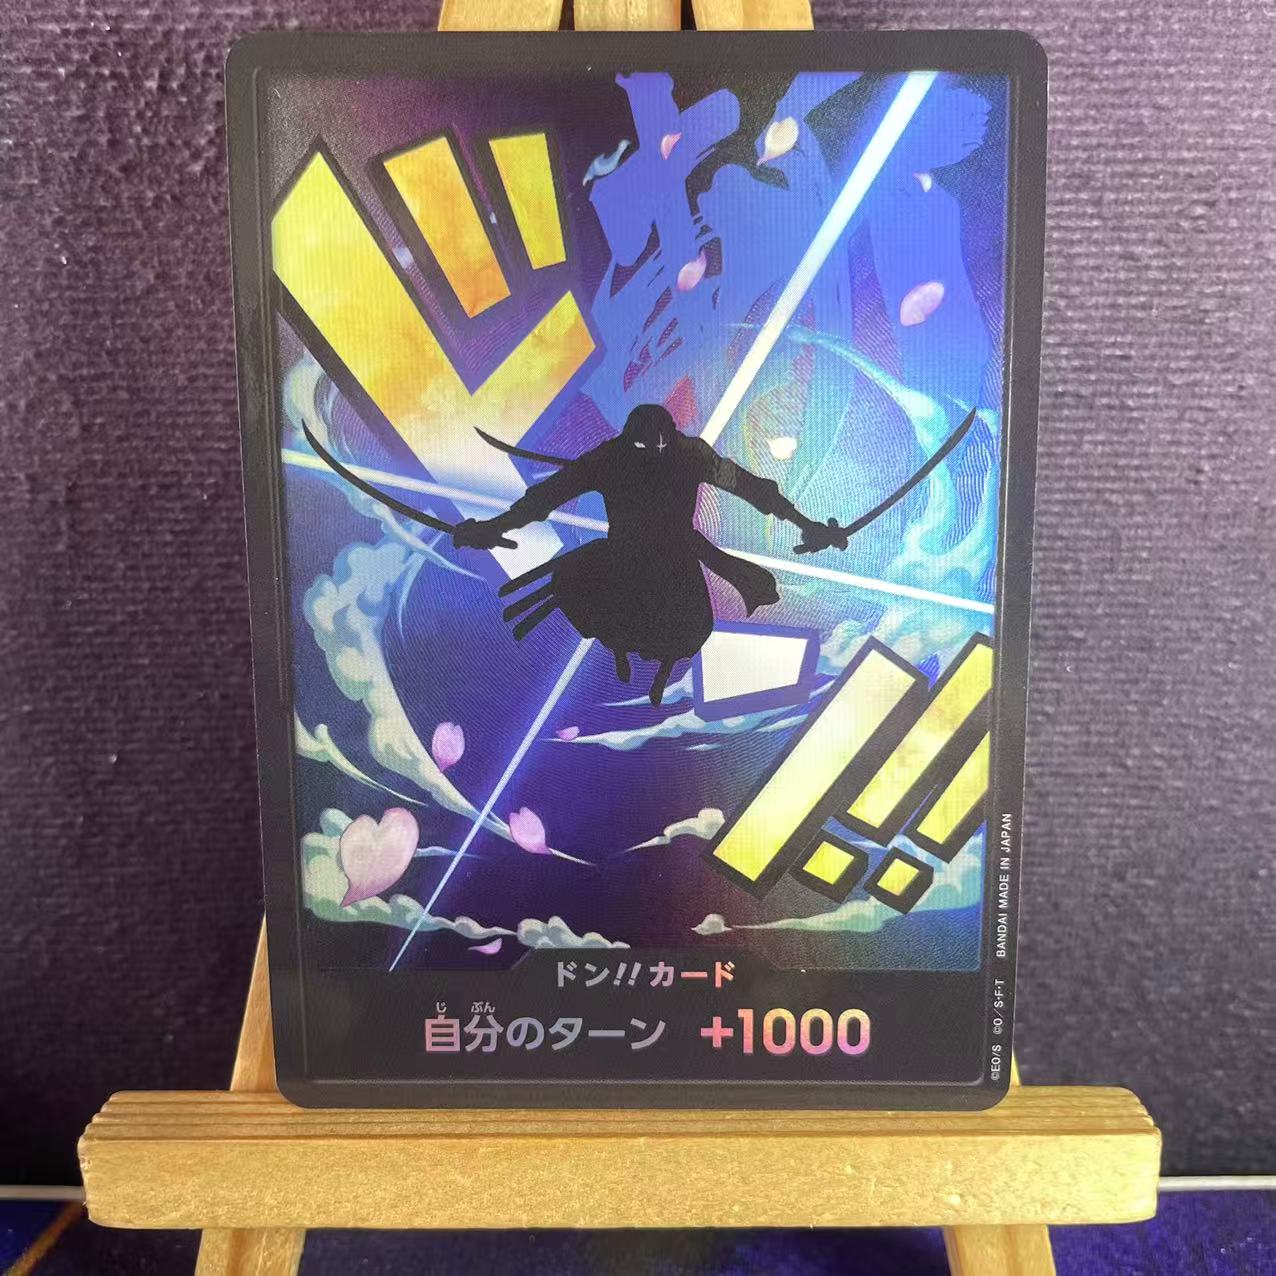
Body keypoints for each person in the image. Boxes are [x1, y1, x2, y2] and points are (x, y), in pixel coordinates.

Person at [453, 404, 849, 705]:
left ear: (670, 436)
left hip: (671, 565)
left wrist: (806, 523)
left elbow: (751, 488)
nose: (656, 453)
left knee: (675, 629)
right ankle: (624, 649)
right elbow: (545, 498)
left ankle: (643, 656)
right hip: (625, 561)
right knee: (593, 596)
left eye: (662, 445)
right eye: (647, 447)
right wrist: (493, 527)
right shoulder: (610, 459)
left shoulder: (687, 454)